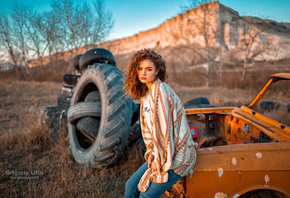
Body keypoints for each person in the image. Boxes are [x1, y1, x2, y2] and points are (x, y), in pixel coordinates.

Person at [123, 48, 198, 198]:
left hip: (178, 156)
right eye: (140, 69)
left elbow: (165, 132)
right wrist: (152, 153)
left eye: (148, 69)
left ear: (157, 71)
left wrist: (158, 159)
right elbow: (152, 133)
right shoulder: (146, 93)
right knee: (130, 186)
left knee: (145, 196)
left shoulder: (161, 92)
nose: (143, 73)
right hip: (161, 152)